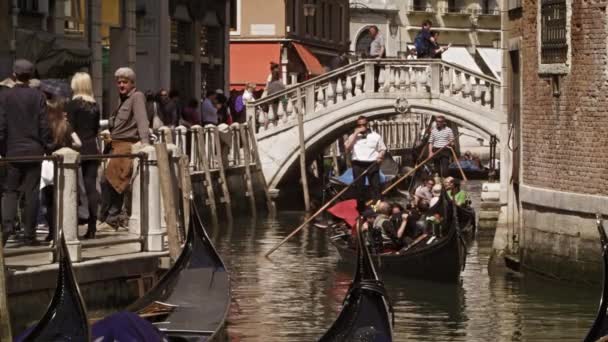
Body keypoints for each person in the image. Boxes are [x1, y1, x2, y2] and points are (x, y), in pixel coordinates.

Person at [0, 59, 53, 246]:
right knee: (31, 194)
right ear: (30, 76)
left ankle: (7, 228)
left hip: (13, 151)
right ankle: (30, 235)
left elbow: (2, 125)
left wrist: (2, 150)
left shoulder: (5, 96)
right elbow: (44, 125)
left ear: (14, 75)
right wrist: (48, 147)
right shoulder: (38, 96)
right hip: (34, 151)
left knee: (10, 191)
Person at [100, 67, 149, 230]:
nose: (121, 85)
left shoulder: (137, 97)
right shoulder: (121, 99)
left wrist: (145, 143)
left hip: (126, 146)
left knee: (116, 180)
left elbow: (142, 121)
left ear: (132, 83)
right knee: (106, 180)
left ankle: (112, 217)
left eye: (124, 82)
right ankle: (109, 216)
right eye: (119, 82)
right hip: (114, 145)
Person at [66, 72, 101, 239]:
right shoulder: (95, 105)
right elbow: (95, 130)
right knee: (91, 188)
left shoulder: (72, 105)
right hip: (92, 149)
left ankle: (71, 226)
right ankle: (93, 227)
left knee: (72, 187)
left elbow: (69, 127)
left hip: (76, 150)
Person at [43, 98, 82, 242]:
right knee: (65, 198)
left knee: (48, 201)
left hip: (48, 166)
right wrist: (68, 146)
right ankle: (65, 230)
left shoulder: (45, 126)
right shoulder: (66, 125)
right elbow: (79, 143)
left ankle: (52, 232)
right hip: (64, 167)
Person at [344, 116, 387, 212]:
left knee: (376, 187)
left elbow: (383, 149)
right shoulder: (352, 137)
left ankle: (377, 209)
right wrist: (355, 133)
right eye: (359, 125)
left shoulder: (376, 136)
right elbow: (347, 149)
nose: (362, 127)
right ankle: (361, 211)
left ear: (367, 125)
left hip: (372, 163)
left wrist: (380, 156)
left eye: (363, 125)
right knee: (359, 189)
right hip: (358, 164)